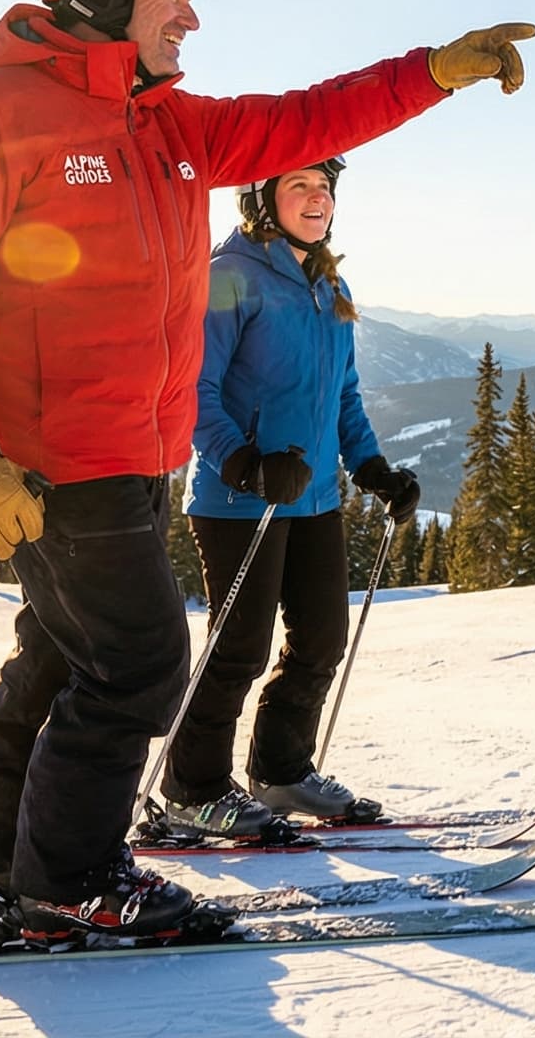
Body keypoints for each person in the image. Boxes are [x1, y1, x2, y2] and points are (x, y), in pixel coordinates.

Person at [0, 0, 530, 946]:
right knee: (136, 666)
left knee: (55, 661)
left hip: (138, 461)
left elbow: (306, 118)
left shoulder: (170, 125)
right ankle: (70, 880)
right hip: (48, 464)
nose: (191, 20)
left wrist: (430, 72)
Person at [150, 157, 423, 840]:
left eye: (324, 187)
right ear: (263, 200)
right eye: (298, 184)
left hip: (313, 498)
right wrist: (243, 462)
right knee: (239, 646)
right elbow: (193, 389)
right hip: (237, 498)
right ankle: (193, 788)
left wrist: (373, 468)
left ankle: (279, 773)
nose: (316, 197)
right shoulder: (229, 275)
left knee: (321, 640)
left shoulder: (329, 285)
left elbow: (344, 396)